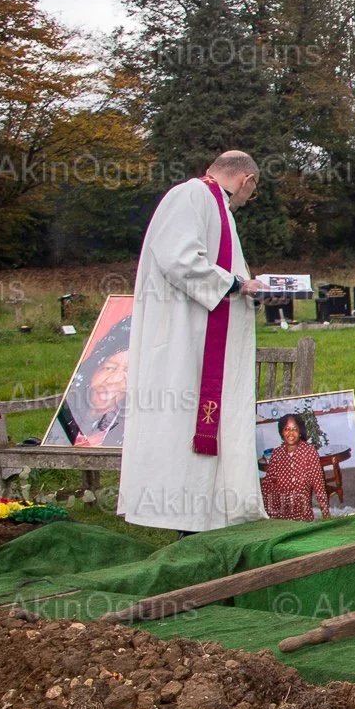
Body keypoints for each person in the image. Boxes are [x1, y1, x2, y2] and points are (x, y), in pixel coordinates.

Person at [119, 151, 264, 531]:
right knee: (184, 426)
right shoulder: (192, 196)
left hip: (208, 340)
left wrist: (250, 291)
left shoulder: (216, 207)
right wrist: (236, 284)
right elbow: (179, 259)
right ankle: (189, 519)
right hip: (186, 343)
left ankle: (215, 514)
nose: (249, 199)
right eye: (253, 191)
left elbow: (225, 272)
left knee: (210, 425)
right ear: (247, 180)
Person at [259, 414, 330, 522]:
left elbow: (318, 484)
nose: (290, 433)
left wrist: (326, 514)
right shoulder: (277, 453)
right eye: (287, 429)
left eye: (294, 429)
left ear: (300, 432)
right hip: (279, 511)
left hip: (302, 513)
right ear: (282, 432)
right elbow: (268, 482)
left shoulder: (309, 451)